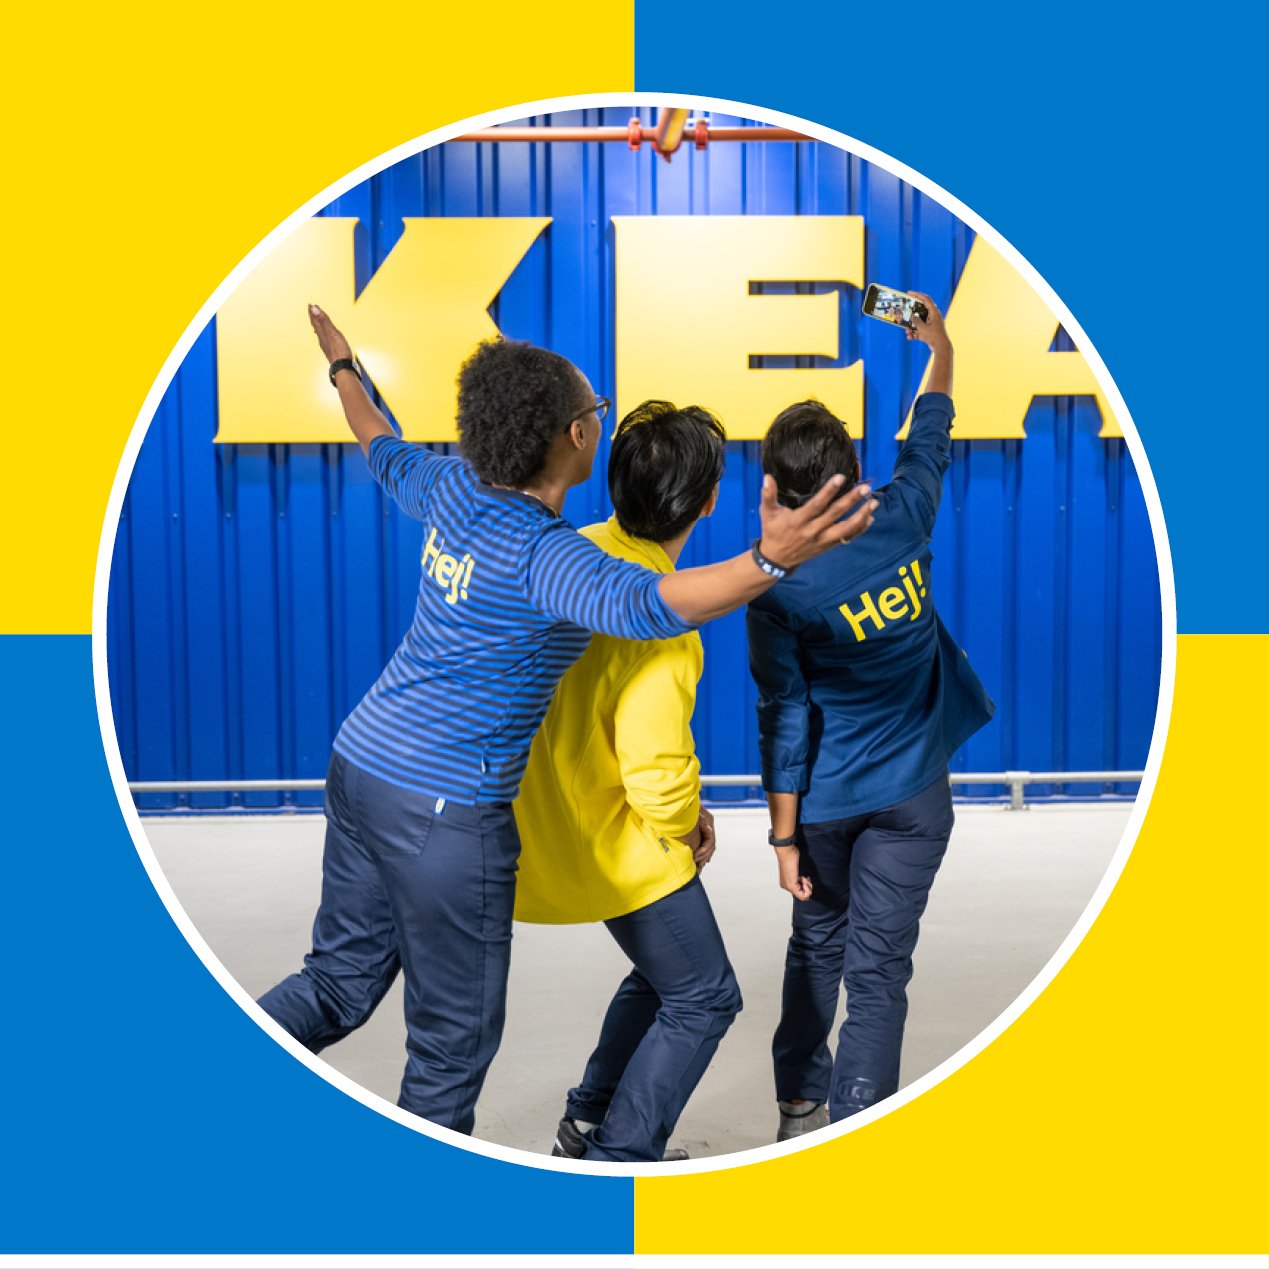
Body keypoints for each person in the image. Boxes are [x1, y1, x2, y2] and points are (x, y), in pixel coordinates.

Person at [258, 305, 878, 1137]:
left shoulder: (449, 485)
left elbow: (378, 438)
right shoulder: (547, 558)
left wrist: (343, 368)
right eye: (595, 407)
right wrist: (773, 557)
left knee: (336, 984)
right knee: (449, 1048)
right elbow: (657, 601)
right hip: (443, 812)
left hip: (361, 763)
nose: (600, 415)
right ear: (572, 438)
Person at [746, 293, 994, 1140]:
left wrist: (783, 841)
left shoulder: (774, 591)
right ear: (851, 472)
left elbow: (782, 717)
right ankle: (852, 1129)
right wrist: (939, 342)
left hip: (823, 806)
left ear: (773, 486)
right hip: (915, 795)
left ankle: (797, 1108)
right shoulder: (905, 512)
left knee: (816, 948)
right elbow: (929, 429)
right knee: (879, 971)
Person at [514, 400, 738, 1163]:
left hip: (530, 822)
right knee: (707, 993)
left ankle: (587, 1119)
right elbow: (653, 768)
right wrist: (686, 823)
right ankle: (623, 1152)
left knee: (663, 973)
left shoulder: (571, 551)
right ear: (707, 501)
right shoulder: (664, 618)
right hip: (608, 839)